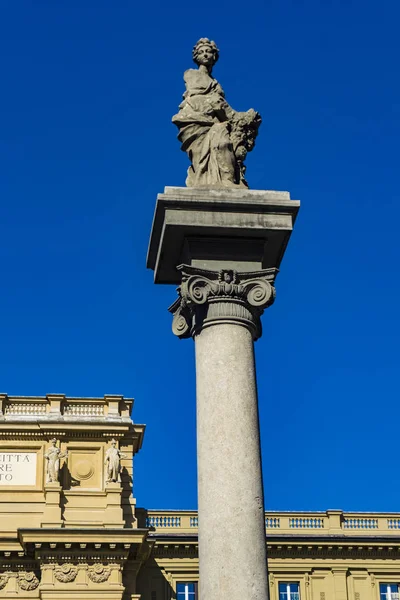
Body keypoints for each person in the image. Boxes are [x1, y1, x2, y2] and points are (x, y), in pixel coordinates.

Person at [172, 38, 261, 187]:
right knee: (211, 149)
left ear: (214, 56)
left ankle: (225, 180)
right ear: (196, 56)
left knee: (225, 142)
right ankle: (213, 180)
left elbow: (221, 105)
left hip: (215, 122)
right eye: (201, 52)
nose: (205, 54)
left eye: (208, 51)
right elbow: (203, 98)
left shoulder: (215, 82)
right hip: (196, 120)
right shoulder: (191, 74)